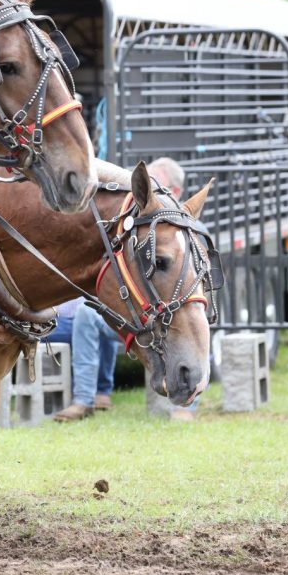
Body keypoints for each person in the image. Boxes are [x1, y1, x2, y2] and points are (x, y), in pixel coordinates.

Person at [53, 157, 196, 422]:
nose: (146, 194)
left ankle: (185, 405)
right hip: (136, 311)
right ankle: (88, 398)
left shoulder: (185, 232)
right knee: (88, 313)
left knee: (191, 319)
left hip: (165, 312)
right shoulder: (137, 225)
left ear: (174, 192)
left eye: (155, 186)